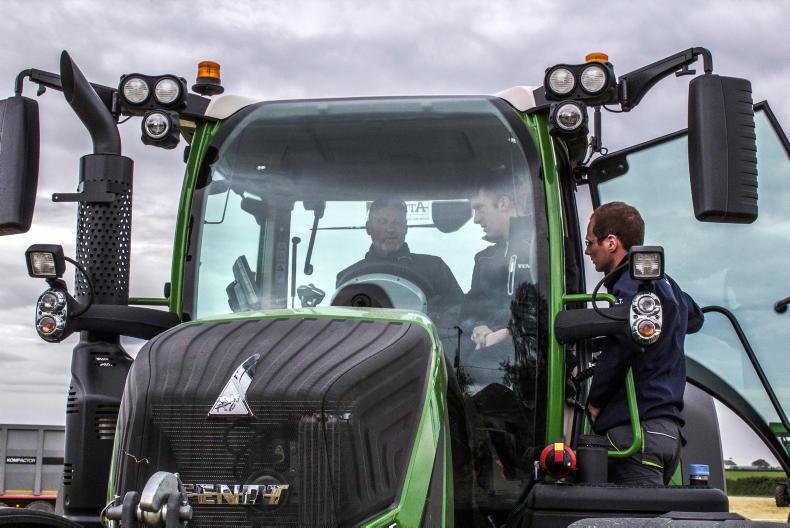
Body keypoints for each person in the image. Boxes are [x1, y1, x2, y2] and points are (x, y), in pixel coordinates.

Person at [584, 201, 704, 486]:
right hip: (668, 433)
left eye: (589, 243)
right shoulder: (664, 283)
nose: (587, 251)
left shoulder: (629, 284)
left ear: (611, 242)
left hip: (637, 434)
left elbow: (625, 342)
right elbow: (695, 318)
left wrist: (596, 400)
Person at [336, 197, 463, 304]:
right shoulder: (347, 278)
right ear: (368, 228)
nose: (391, 229)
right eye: (382, 222)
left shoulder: (435, 268)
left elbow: (461, 314)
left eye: (397, 222)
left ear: (405, 228)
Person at [464, 181, 525, 349]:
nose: (476, 219)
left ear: (503, 203)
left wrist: (509, 332)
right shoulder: (484, 259)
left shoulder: (547, 249)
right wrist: (478, 327)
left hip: (533, 353)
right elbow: (469, 311)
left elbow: (552, 309)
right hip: (489, 355)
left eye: (479, 208)